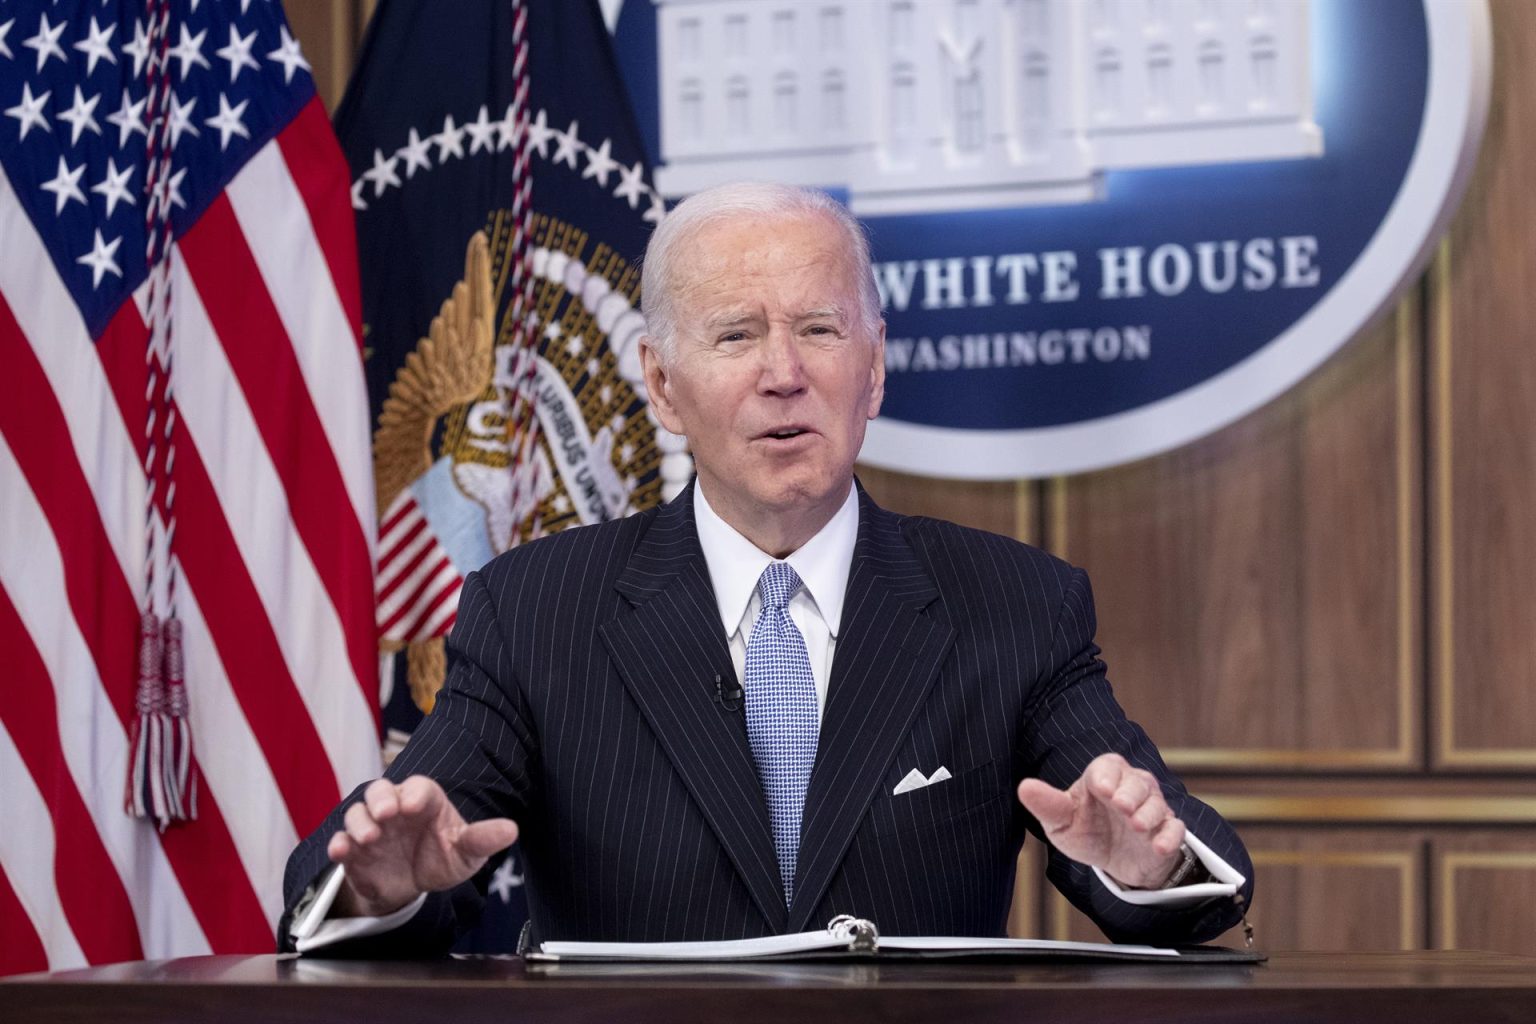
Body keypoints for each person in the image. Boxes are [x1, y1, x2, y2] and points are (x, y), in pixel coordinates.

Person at [280, 183, 1253, 955]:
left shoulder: (1016, 603)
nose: (784, 371)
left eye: (821, 330)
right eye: (737, 334)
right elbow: (386, 857)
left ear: (873, 366)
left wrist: (1148, 865)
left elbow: (1187, 864)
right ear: (662, 383)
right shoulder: (535, 610)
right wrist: (380, 882)